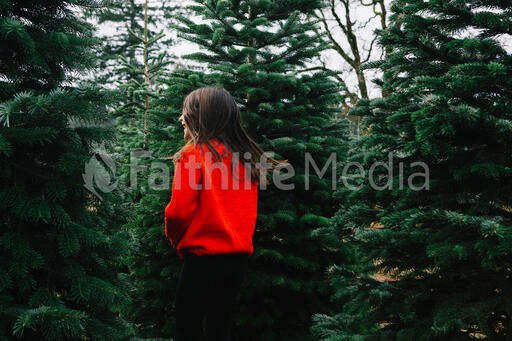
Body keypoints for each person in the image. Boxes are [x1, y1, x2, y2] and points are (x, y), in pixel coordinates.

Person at [164, 86, 288, 341]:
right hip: (236, 262)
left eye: (185, 113)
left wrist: (175, 239)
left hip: (201, 259)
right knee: (220, 326)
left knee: (187, 326)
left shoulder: (193, 155)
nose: (180, 119)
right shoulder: (246, 159)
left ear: (201, 118)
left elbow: (177, 212)